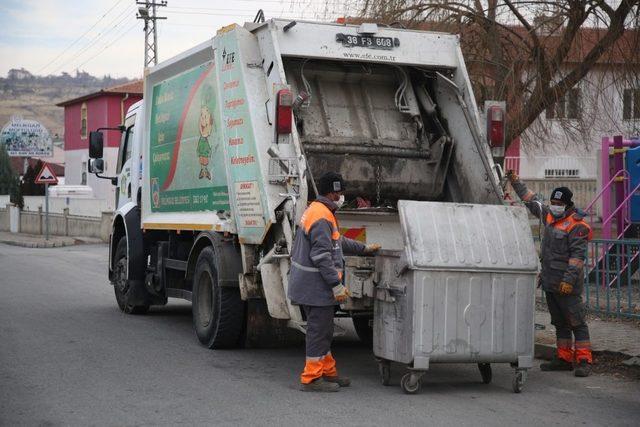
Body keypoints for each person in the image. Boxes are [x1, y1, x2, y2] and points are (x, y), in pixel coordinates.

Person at [288, 171, 381, 392]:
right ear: (331, 192)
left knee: (325, 331)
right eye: (339, 192)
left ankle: (327, 373)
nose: (342, 196)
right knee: (319, 331)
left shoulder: (321, 212)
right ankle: (311, 379)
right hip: (315, 286)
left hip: (313, 285)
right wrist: (336, 285)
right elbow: (321, 256)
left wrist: (364, 248)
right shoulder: (321, 216)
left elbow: (336, 243)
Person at [507, 171, 593, 377]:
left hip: (567, 284)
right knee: (560, 322)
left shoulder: (577, 225)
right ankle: (564, 358)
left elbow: (577, 259)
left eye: (558, 203)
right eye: (553, 202)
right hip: (550, 281)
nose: (554, 205)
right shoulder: (550, 216)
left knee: (577, 322)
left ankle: (583, 360)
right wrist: (516, 182)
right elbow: (531, 200)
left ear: (568, 204)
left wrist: (568, 281)